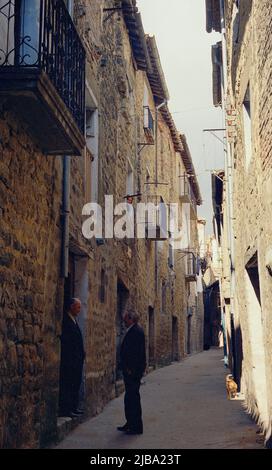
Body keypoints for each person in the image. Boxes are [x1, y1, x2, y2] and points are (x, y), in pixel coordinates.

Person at [117, 310, 146, 435]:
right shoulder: (134, 330)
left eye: (125, 319)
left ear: (131, 319)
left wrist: (131, 370)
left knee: (133, 399)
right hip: (130, 371)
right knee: (129, 399)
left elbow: (137, 354)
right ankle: (130, 423)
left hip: (132, 372)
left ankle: (136, 427)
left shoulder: (136, 331)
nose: (123, 321)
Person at [59, 298, 85, 418]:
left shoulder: (74, 320)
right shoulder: (66, 320)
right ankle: (66, 409)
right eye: (78, 307)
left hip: (77, 361)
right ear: (72, 307)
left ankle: (73, 407)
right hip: (70, 361)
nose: (80, 310)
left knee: (75, 383)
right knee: (68, 384)